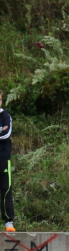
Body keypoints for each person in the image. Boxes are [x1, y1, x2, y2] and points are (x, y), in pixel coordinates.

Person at [0, 90, 15, 232]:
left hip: (3, 158)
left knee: (6, 189)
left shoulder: (5, 116)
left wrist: (2, 131)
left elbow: (6, 134)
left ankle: (8, 221)